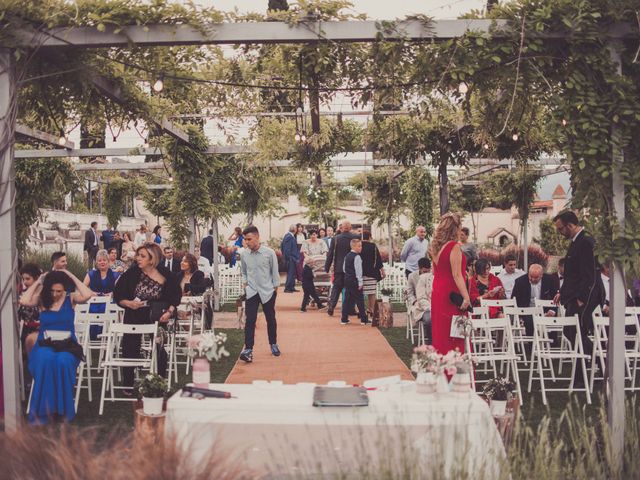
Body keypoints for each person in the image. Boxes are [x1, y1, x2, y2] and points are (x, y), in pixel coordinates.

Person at [20, 269, 93, 423]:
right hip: (45, 343)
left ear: (65, 288)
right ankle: (45, 410)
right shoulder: (42, 299)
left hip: (67, 345)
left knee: (63, 361)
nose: (55, 294)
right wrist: (39, 281)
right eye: (52, 290)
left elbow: (87, 294)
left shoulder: (71, 298)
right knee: (45, 360)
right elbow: (24, 300)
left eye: (59, 291)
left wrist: (71, 276)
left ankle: (63, 410)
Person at [113, 243, 181, 390]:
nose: (138, 258)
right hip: (133, 314)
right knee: (130, 347)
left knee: (159, 348)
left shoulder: (166, 274)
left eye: (142, 256)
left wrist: (169, 312)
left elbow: (175, 296)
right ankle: (128, 383)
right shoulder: (131, 273)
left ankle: (160, 382)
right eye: (138, 255)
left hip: (156, 315)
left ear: (152, 258)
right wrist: (129, 304)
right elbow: (118, 295)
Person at [553, 210, 604, 385]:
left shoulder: (586, 242)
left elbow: (589, 274)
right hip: (573, 295)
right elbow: (573, 274)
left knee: (576, 331)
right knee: (571, 331)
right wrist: (563, 292)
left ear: (570, 225)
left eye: (561, 229)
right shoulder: (576, 242)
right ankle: (594, 363)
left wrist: (582, 298)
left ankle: (594, 365)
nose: (560, 233)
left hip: (585, 296)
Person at [429, 213, 471, 354]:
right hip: (451, 293)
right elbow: (457, 274)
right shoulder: (454, 246)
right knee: (455, 334)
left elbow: (435, 272)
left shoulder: (434, 247)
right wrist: (466, 297)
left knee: (441, 332)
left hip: (438, 291)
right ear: (456, 228)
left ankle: (442, 370)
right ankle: (456, 372)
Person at [238, 226, 281, 363]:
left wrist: (275, 288)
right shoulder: (244, 254)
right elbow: (244, 272)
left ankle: (273, 343)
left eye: (249, 239)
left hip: (268, 291)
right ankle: (248, 349)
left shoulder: (269, 253)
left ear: (257, 237)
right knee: (250, 320)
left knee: (271, 319)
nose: (247, 242)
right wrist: (245, 284)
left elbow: (275, 272)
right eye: (245, 239)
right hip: (251, 292)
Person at [511, 264, 559, 335]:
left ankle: (552, 344)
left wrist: (552, 311)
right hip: (527, 312)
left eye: (536, 277)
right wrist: (519, 315)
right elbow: (514, 300)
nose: (533, 279)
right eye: (530, 277)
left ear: (541, 275)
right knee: (530, 321)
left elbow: (555, 297)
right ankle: (532, 344)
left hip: (545, 311)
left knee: (553, 320)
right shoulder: (520, 281)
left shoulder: (550, 280)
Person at [324, 221, 358, 316]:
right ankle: (350, 309)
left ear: (341, 228)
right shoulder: (355, 238)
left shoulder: (336, 239)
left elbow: (330, 254)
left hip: (338, 268)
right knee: (350, 288)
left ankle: (331, 306)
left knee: (336, 288)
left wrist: (327, 267)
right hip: (351, 268)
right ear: (350, 228)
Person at [339, 238, 369, 326]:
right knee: (360, 299)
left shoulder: (347, 256)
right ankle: (363, 319)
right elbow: (359, 271)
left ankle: (344, 319)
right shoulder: (357, 257)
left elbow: (344, 269)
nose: (361, 248)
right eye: (359, 246)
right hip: (355, 280)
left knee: (346, 300)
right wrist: (360, 282)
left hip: (347, 280)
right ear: (354, 246)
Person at [18, 263, 42, 355]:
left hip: (40, 330)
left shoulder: (43, 293)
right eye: (23, 279)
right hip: (24, 330)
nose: (24, 282)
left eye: (28, 279)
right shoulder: (23, 294)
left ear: (36, 278)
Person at [360, 231, 385, 317]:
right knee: (372, 292)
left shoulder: (359, 246)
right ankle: (371, 310)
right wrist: (382, 271)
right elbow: (378, 259)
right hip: (372, 272)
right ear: (370, 237)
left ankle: (362, 310)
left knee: (361, 293)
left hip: (361, 272)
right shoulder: (373, 246)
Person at [411, 259, 434, 343]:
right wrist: (414, 302)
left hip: (437, 307)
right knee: (429, 319)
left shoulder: (436, 277)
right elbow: (419, 296)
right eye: (424, 271)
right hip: (423, 307)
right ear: (420, 269)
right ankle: (431, 342)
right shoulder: (415, 277)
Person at [281, 224, 300, 293]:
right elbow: (286, 250)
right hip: (290, 259)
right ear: (295, 230)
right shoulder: (289, 237)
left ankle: (292, 287)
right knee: (290, 273)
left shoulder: (290, 236)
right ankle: (287, 288)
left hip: (292, 258)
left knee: (293, 273)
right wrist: (289, 258)